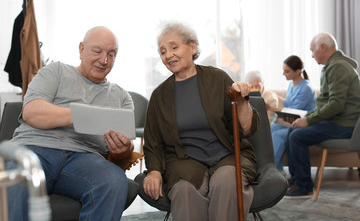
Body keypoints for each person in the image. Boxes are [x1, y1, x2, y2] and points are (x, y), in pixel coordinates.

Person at [6, 26, 135, 220]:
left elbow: (123, 146)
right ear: (81, 49)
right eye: (97, 51)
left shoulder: (121, 97)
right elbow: (32, 111)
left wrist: (123, 149)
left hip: (85, 159)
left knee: (114, 180)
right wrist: (81, 115)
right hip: (36, 148)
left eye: (111, 54)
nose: (104, 60)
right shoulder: (55, 71)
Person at [142, 22, 259, 221]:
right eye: (163, 51)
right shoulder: (159, 95)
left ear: (193, 47)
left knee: (227, 183)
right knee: (184, 190)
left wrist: (241, 102)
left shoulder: (218, 78)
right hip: (183, 160)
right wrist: (154, 171)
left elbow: (246, 130)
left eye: (174, 47)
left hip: (226, 154)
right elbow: (152, 140)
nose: (168, 55)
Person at [285, 32, 360, 197]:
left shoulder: (338, 67)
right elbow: (329, 103)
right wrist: (306, 119)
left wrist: (309, 120)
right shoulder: (334, 66)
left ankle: (304, 186)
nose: (311, 55)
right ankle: (297, 179)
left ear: (324, 47)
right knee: (293, 130)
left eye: (313, 50)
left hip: (345, 125)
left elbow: (336, 104)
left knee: (297, 136)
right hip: (338, 121)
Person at [268, 55, 316, 173]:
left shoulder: (306, 88)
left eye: (287, 71)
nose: (283, 73)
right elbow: (289, 102)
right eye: (283, 70)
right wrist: (273, 95)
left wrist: (271, 108)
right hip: (291, 123)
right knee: (270, 129)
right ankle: (278, 169)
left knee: (277, 136)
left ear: (298, 71)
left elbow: (293, 111)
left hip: (302, 125)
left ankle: (273, 171)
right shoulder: (292, 84)